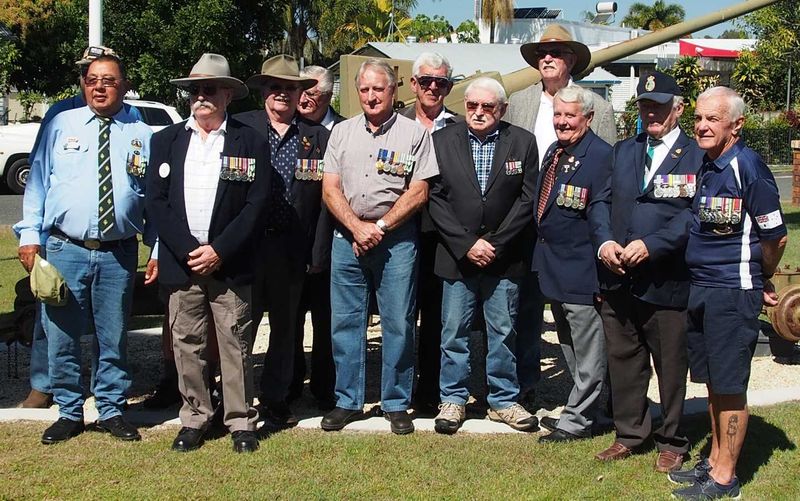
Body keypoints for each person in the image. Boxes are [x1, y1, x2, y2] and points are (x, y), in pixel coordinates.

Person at [14, 54, 156, 444]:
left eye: (108, 80)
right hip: (64, 248)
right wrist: (29, 236)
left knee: (114, 335)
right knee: (61, 335)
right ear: (83, 84)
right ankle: (70, 411)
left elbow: (151, 198)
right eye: (92, 80)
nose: (99, 87)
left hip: (119, 252)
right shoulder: (62, 124)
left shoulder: (141, 132)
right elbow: (38, 183)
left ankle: (111, 409)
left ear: (124, 85)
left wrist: (155, 246)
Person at [146, 53, 269, 453]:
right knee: (187, 342)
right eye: (194, 90)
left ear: (228, 95)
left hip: (229, 262)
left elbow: (256, 202)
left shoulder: (248, 140)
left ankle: (240, 421)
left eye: (209, 89)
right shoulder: (165, 140)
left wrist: (219, 250)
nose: (201, 97)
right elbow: (157, 202)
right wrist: (187, 250)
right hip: (183, 263)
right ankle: (196, 417)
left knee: (235, 342)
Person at [670, 87, 787, 500]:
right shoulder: (708, 163)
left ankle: (725, 478)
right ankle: (714, 460)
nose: (701, 126)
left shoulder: (748, 167)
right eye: (698, 118)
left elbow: (776, 235)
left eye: (712, 120)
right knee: (716, 382)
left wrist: (762, 276)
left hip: (732, 292)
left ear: (735, 125)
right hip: (702, 288)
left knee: (731, 384)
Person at [590, 71, 704, 472]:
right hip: (619, 276)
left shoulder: (696, 155)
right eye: (644, 106)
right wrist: (605, 242)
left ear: (678, 108)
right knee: (623, 360)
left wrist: (652, 246)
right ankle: (630, 434)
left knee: (670, 366)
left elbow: (694, 216)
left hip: (667, 280)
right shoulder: (623, 151)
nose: (651, 114)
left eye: (658, 106)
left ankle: (672, 440)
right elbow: (599, 203)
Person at [320, 59, 438, 435]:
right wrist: (357, 227)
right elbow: (330, 188)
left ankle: (396, 402)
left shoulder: (414, 134)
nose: (371, 96)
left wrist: (381, 227)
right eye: (365, 89)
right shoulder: (341, 132)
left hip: (397, 241)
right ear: (358, 93)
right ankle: (347, 400)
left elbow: (419, 190)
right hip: (348, 239)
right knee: (346, 322)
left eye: (379, 89)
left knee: (399, 322)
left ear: (393, 91)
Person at [506, 24, 617, 403]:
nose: (547, 58)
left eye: (555, 52)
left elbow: (608, 173)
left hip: (574, 229)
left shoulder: (597, 107)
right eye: (541, 54)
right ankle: (526, 385)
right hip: (525, 221)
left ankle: (591, 396)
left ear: (571, 59)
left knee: (578, 315)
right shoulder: (518, 102)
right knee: (526, 310)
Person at [428, 77, 539, 434]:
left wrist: (496, 243)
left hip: (504, 257)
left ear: (502, 109)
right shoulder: (441, 141)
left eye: (487, 106)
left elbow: (527, 199)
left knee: (503, 331)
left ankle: (504, 400)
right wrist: (467, 244)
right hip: (457, 256)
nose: (478, 112)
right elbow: (435, 198)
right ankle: (453, 399)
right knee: (453, 333)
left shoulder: (522, 142)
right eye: (472, 105)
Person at [235, 54, 332, 424]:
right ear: (264, 91)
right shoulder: (240, 128)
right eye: (275, 87)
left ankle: (276, 399)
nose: (282, 94)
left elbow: (326, 201)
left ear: (300, 93)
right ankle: (236, 399)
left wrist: (317, 251)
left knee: (284, 330)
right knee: (239, 329)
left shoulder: (318, 138)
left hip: (292, 250)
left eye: (290, 88)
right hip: (245, 248)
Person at [533, 86, 612, 442]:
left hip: (583, 272)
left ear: (589, 118)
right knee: (571, 346)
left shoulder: (602, 157)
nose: (562, 122)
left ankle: (576, 422)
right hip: (554, 269)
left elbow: (604, 221)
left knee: (589, 352)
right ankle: (595, 412)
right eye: (558, 115)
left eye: (570, 116)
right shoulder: (555, 151)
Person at [400, 52, 461, 413]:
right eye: (426, 81)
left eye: (441, 82)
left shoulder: (460, 126)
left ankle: (430, 389)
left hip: (442, 235)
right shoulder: (397, 122)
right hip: (399, 230)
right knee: (401, 314)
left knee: (438, 315)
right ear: (414, 85)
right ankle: (399, 386)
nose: (433, 88)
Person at [297, 65, 344, 130]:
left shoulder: (345, 130)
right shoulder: (285, 124)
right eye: (298, 92)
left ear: (328, 96)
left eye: (310, 94)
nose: (302, 100)